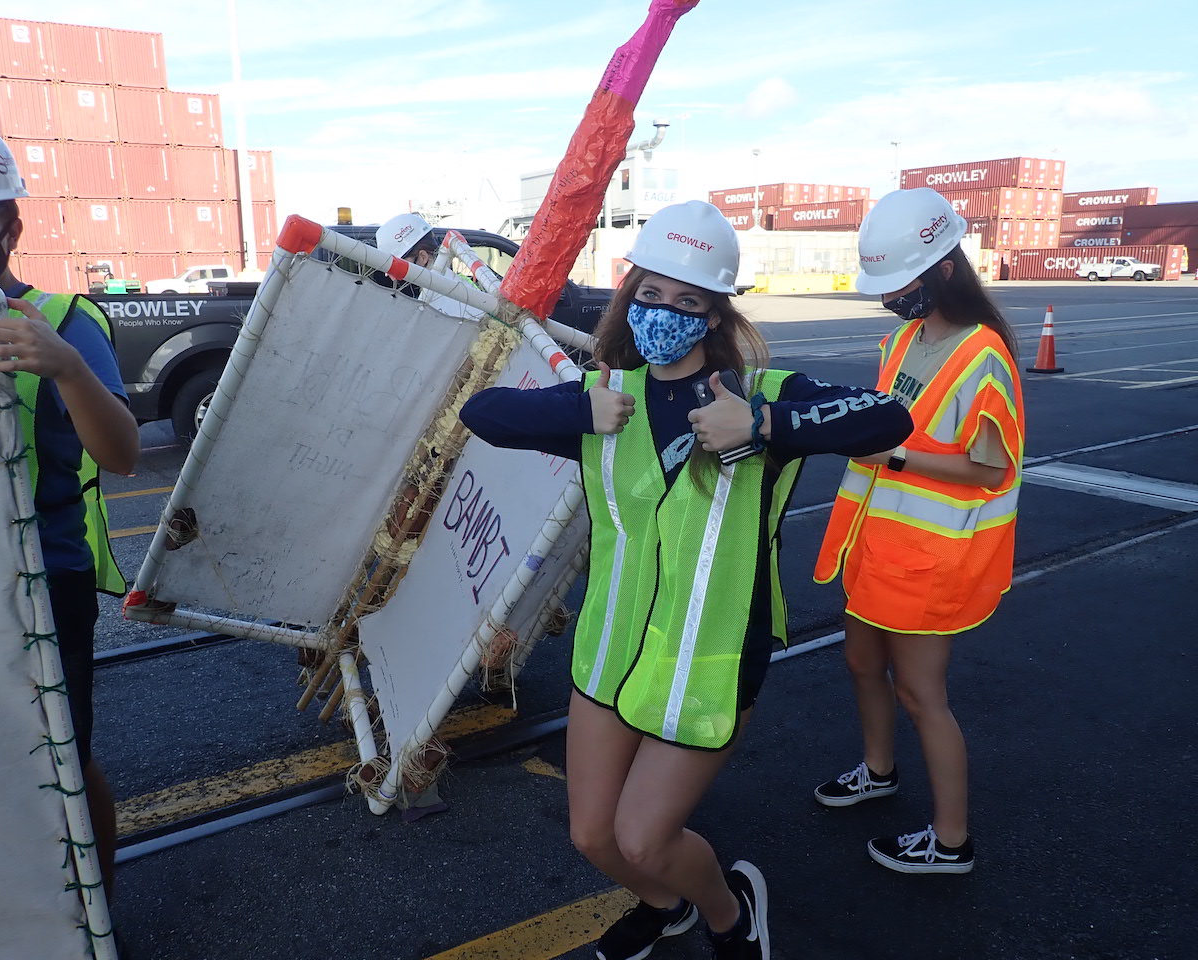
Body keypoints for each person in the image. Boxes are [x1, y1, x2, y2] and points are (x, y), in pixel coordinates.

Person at [459, 200, 912, 959]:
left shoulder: (761, 396)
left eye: (688, 302)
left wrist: (767, 429)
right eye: (651, 295)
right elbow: (483, 411)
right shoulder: (609, 399)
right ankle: (664, 907)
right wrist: (577, 408)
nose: (664, 313)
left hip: (713, 655)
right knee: (595, 836)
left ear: (714, 317)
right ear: (629, 296)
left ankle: (731, 913)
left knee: (644, 834)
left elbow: (887, 417)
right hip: (611, 646)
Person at [0, 112, 139, 897]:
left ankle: (94, 917)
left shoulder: (69, 321)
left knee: (64, 759)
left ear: (10, 227)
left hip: (45, 580)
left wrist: (68, 369)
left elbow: (121, 454)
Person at [811, 187, 1025, 875]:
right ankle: (878, 770)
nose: (891, 298)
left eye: (901, 284)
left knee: (922, 696)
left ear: (945, 269)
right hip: (875, 546)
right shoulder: (904, 337)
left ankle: (952, 840)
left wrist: (894, 455)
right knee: (861, 665)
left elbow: (989, 468)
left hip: (929, 559)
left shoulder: (983, 355)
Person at [373, 211, 479, 318]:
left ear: (423, 257)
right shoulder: (451, 286)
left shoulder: (442, 300)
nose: (392, 277)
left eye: (395, 267)